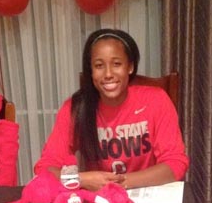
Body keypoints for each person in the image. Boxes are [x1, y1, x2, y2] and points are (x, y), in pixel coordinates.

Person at [34, 28, 188, 191]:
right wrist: (80, 179)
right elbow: (44, 169)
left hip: (146, 196)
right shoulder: (75, 108)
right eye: (99, 66)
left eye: (116, 64)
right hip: (98, 201)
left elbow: (176, 163)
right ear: (91, 71)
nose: (108, 74)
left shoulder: (156, 100)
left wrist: (120, 182)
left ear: (130, 67)